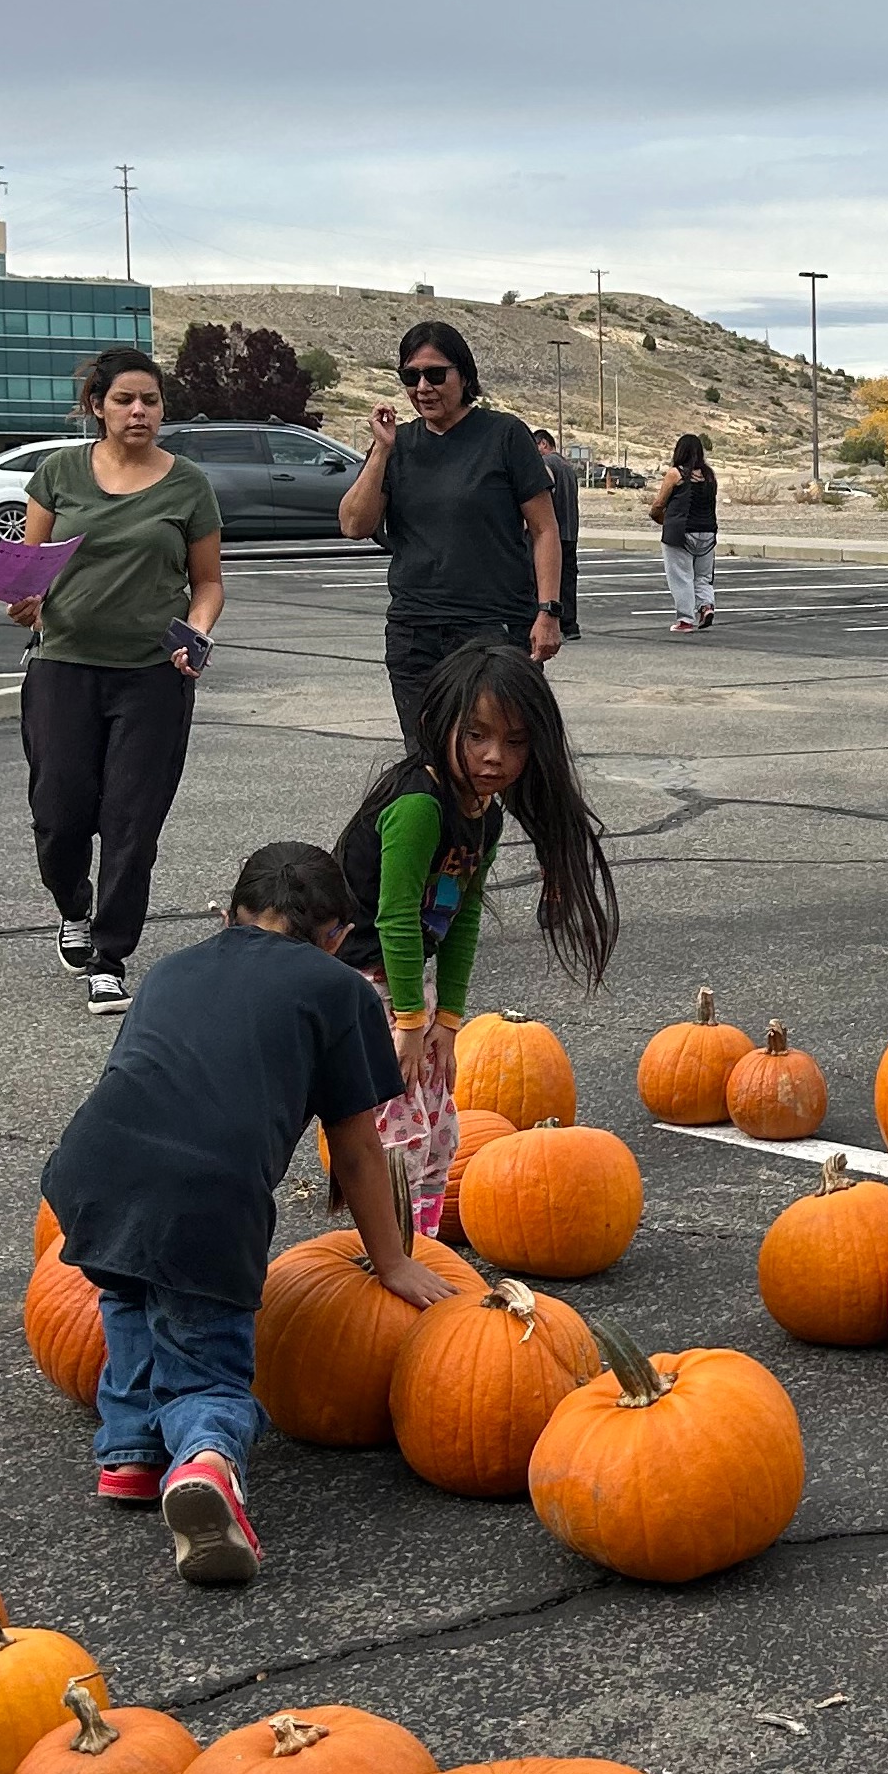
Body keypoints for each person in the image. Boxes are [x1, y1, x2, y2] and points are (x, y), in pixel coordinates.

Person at [39, 839, 452, 1588]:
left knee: (130, 1285)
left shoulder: (170, 969)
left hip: (91, 1168)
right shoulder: (339, 989)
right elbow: (357, 1149)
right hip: (207, 1196)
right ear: (334, 935)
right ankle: (204, 1460)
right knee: (207, 1363)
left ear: (231, 915)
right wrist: (392, 1261)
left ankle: (129, 1451)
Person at [332, 637, 620, 1238]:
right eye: (477, 736)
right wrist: (411, 1023)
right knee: (397, 1123)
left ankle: (425, 1242)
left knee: (441, 1123)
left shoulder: (484, 811)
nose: (496, 757)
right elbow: (394, 917)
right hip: (360, 979)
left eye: (515, 742)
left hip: (407, 978)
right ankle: (385, 1253)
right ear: (441, 725)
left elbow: (459, 919)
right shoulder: (419, 805)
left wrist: (448, 1021)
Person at [12, 349, 226, 1015]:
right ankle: (73, 904)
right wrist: (26, 598)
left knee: (131, 820)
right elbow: (28, 567)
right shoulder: (59, 473)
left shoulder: (187, 485)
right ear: (98, 407)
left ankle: (110, 955)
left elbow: (208, 584)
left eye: (151, 401)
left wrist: (198, 630)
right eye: (125, 400)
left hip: (152, 674)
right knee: (59, 810)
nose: (139, 412)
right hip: (63, 665)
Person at [337, 318, 563, 749]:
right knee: (428, 761)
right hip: (414, 632)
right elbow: (353, 525)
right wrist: (382, 450)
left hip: (491, 630)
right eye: (411, 376)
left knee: (487, 760)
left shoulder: (503, 435)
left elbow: (544, 528)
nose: (423, 386)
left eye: (436, 374)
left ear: (464, 375)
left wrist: (548, 612)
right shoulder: (397, 444)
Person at [647, 434, 720, 634]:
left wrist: (661, 519)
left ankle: (685, 620)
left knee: (681, 576)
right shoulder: (710, 475)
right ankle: (706, 606)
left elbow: (659, 504)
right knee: (703, 576)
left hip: (680, 533)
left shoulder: (675, 474)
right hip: (707, 532)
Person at [532, 428, 582, 638]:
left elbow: (544, 494)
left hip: (552, 533)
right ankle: (570, 625)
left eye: (535, 447)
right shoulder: (567, 466)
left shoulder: (548, 464)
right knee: (568, 579)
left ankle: (550, 622)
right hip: (570, 532)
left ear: (544, 443)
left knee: (545, 579)